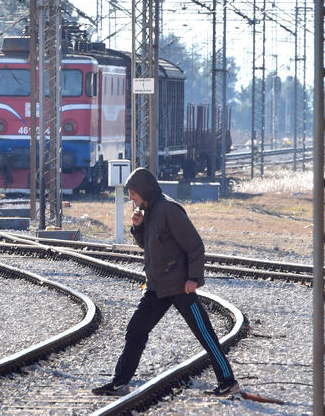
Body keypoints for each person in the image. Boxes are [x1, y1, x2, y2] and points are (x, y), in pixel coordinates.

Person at [92, 167, 239, 397]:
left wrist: (194, 278)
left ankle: (228, 381)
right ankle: (120, 381)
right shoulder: (148, 210)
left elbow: (195, 246)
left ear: (143, 190)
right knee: (135, 330)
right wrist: (137, 226)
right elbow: (147, 246)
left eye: (132, 193)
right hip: (157, 287)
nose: (130, 198)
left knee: (205, 334)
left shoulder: (169, 209)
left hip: (180, 285)